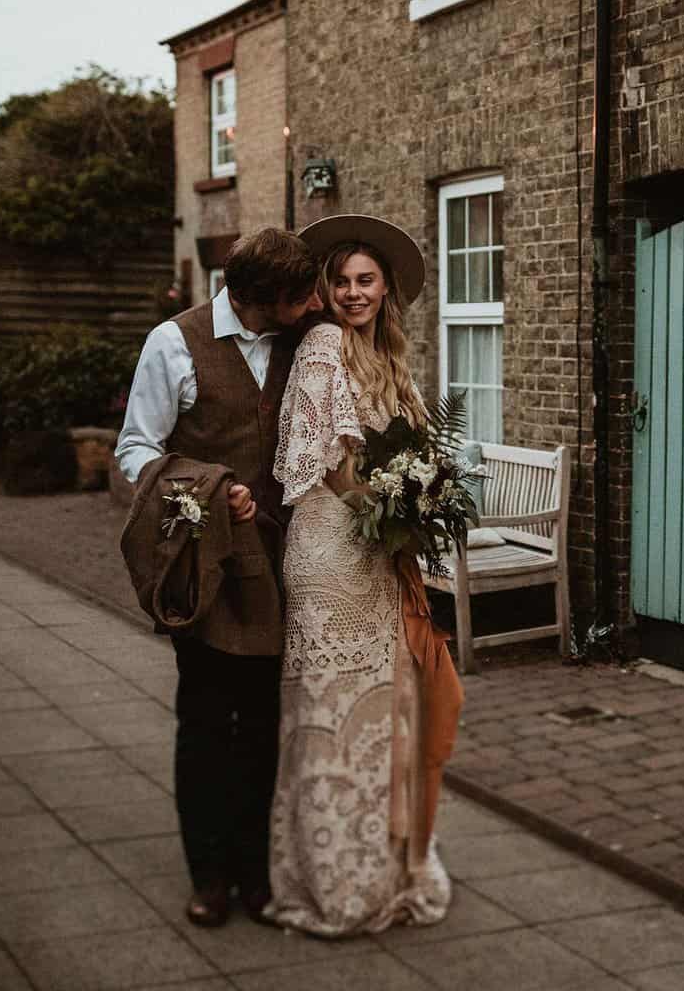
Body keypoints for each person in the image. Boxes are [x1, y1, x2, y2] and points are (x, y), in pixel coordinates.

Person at [113, 228, 322, 928]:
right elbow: (136, 450)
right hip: (205, 567)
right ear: (263, 301)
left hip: (285, 566)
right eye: (302, 296)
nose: (315, 304)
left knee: (263, 726)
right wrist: (206, 488)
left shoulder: (304, 340)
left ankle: (255, 874)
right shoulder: (173, 343)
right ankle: (209, 876)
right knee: (205, 722)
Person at [268, 214, 457, 936]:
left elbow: (404, 454)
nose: (352, 293)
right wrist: (401, 503)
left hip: (378, 555)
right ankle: (331, 880)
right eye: (341, 281)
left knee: (382, 721)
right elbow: (339, 467)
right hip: (330, 554)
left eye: (365, 280)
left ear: (386, 290)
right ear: (327, 288)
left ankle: (380, 871)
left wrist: (421, 500)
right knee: (329, 723)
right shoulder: (321, 347)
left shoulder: (390, 357)